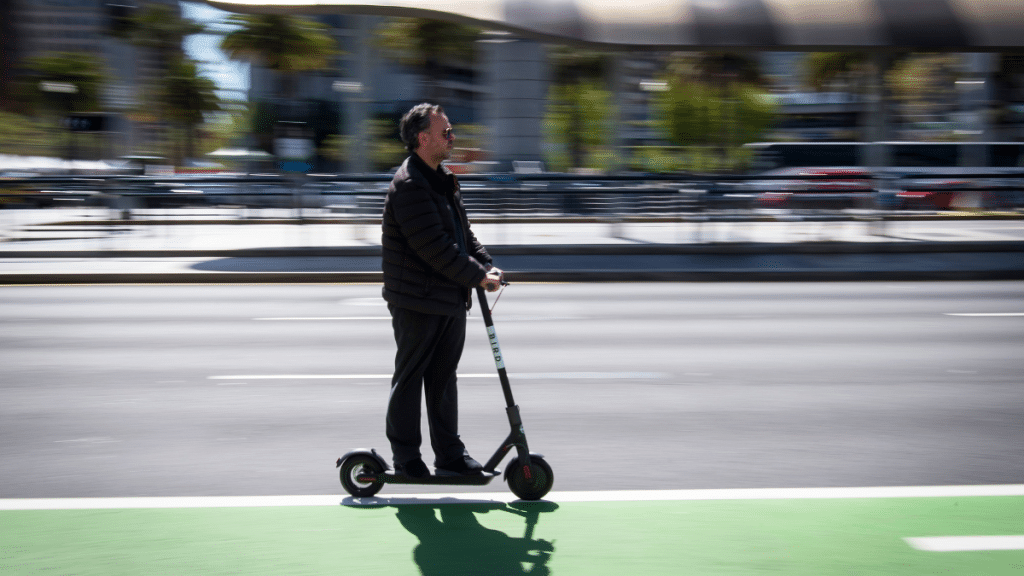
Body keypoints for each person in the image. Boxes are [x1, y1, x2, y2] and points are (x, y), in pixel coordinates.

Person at [381, 103, 503, 478]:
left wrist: (486, 263)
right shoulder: (410, 186)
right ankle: (406, 458)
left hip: (449, 297)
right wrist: (476, 277)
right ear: (423, 138)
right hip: (416, 301)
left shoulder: (442, 178)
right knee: (411, 377)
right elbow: (435, 248)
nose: (453, 137)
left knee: (443, 379)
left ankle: (449, 454)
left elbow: (463, 235)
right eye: (446, 132)